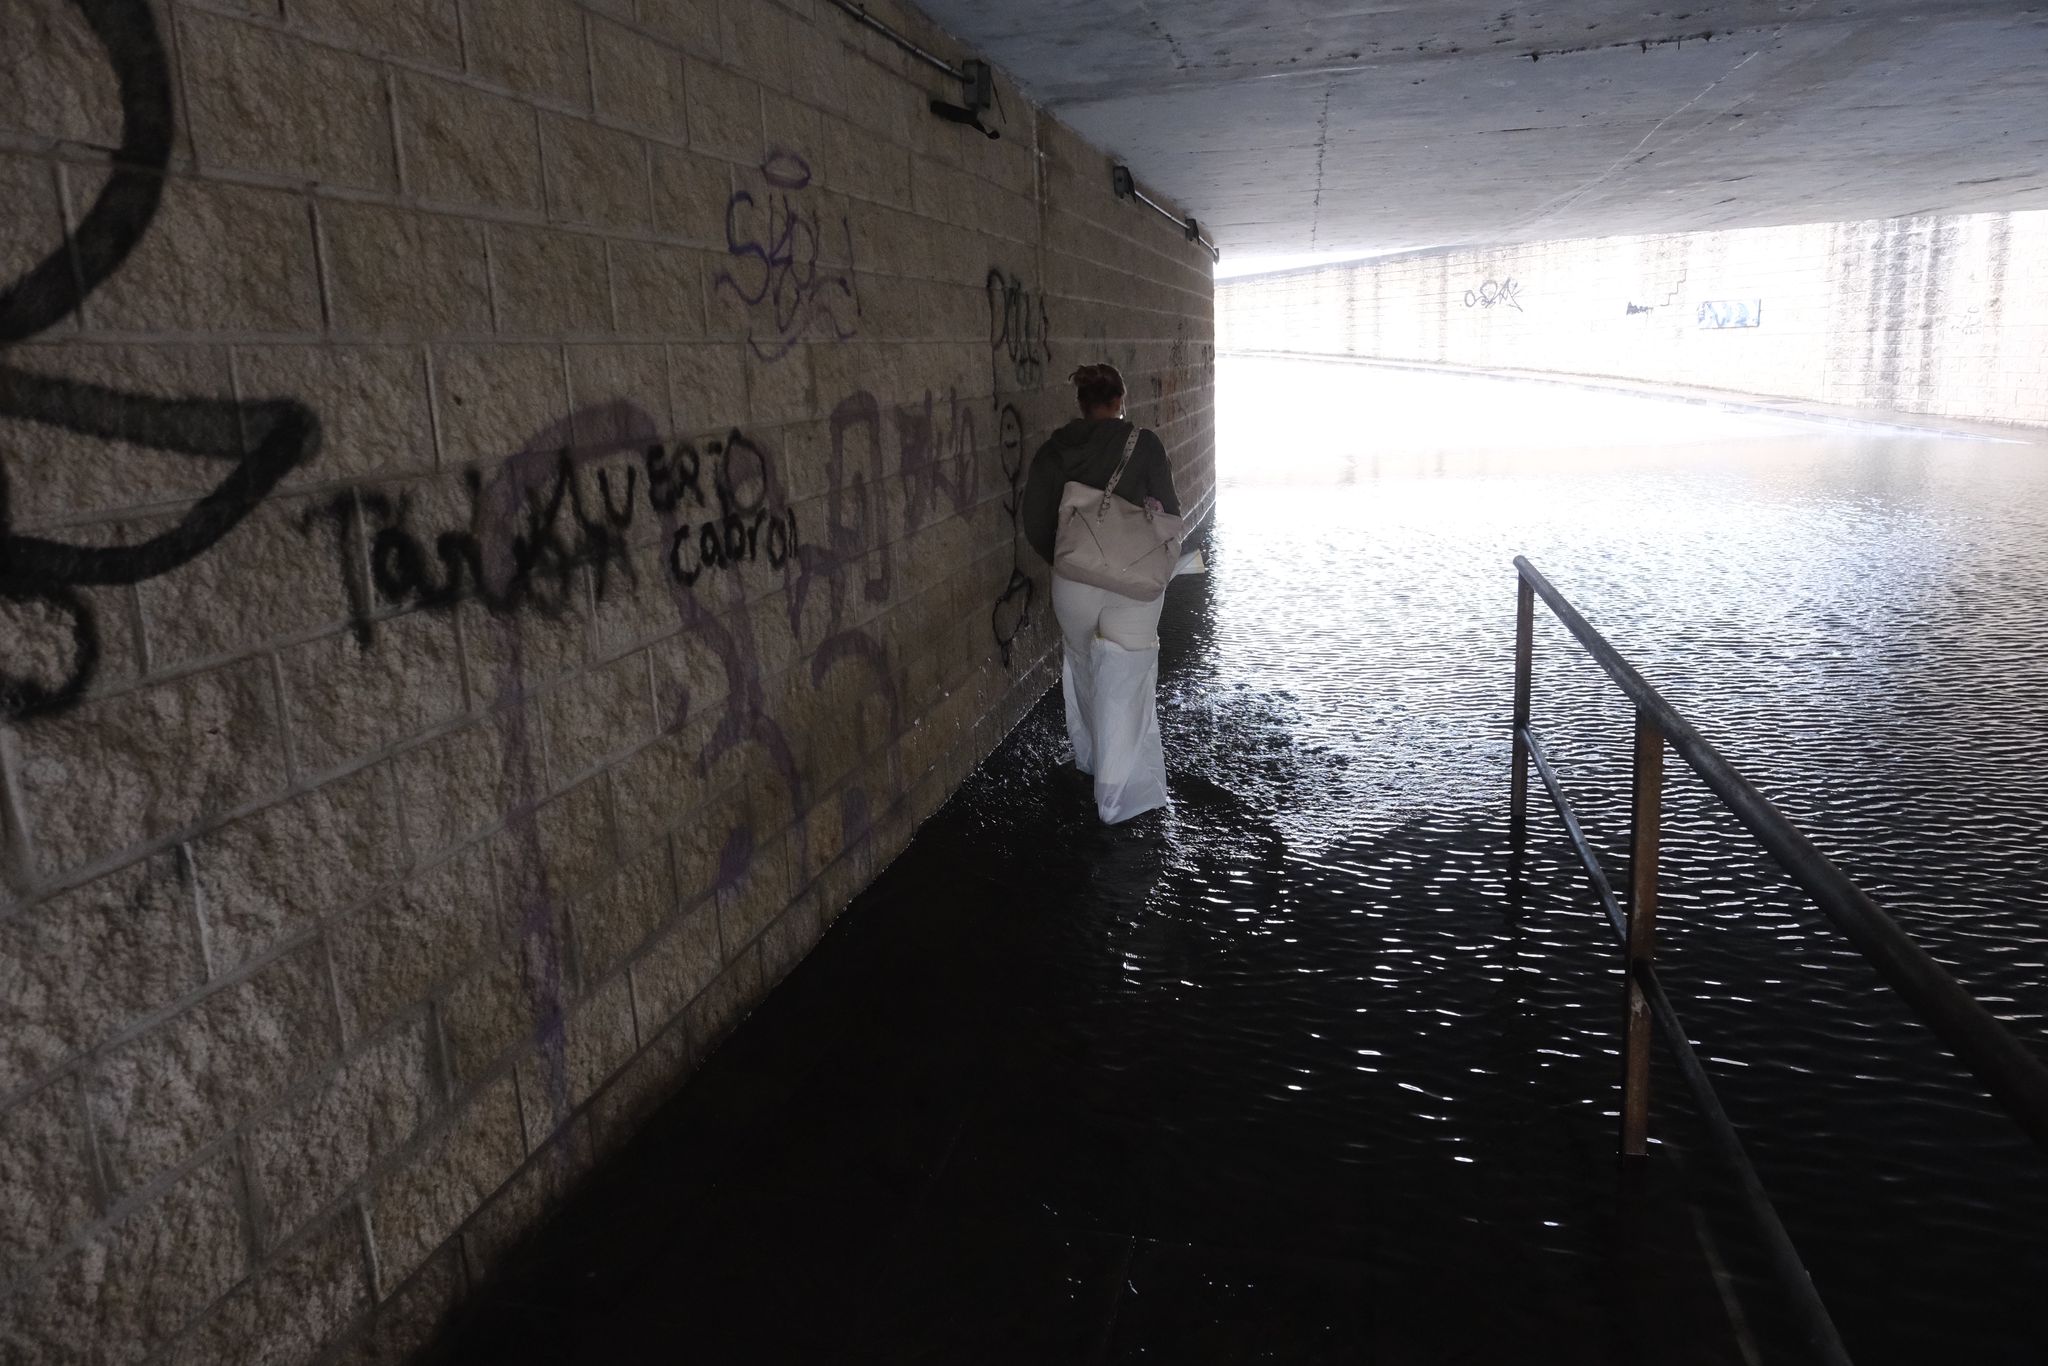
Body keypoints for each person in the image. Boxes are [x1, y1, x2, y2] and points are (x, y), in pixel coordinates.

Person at [1021, 363, 1183, 824]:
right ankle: (1118, 799)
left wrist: (1072, 563)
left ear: (1082, 403)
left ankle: (1092, 764)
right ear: (1120, 400)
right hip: (1134, 584)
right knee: (1126, 684)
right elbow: (1170, 513)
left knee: (1086, 673)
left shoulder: (1055, 450)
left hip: (1074, 585)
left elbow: (1035, 522)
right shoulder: (1145, 444)